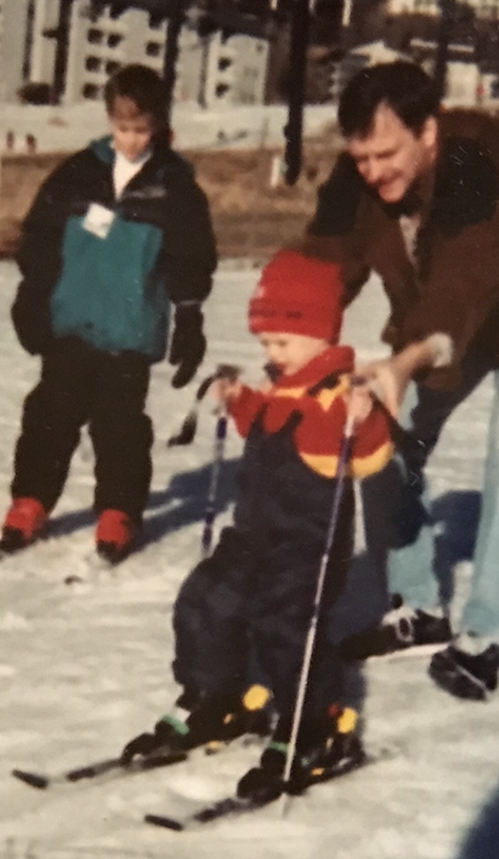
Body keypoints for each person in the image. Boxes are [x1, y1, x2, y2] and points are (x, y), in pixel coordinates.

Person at [305, 61, 499, 701]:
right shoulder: (362, 178)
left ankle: (485, 635)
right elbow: (322, 265)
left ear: (429, 132)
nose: (373, 171)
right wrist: (293, 344)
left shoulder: (486, 176)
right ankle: (418, 606)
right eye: (361, 158)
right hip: (441, 318)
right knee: (380, 438)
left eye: (387, 153)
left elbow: (459, 296)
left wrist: (400, 364)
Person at [121, 250, 391, 800]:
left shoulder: (340, 396)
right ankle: (212, 698)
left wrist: (367, 419)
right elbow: (263, 427)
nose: (272, 353)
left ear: (320, 335)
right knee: (205, 600)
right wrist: (239, 399)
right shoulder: (279, 392)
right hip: (252, 537)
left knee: (283, 624)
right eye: (265, 344)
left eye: (282, 343)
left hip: (305, 549)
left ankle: (313, 726)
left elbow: (371, 456)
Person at [0, 64, 215, 562]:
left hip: (129, 330)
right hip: (71, 321)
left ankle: (119, 510)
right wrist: (32, 294)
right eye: (122, 127)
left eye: (142, 130)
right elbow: (41, 235)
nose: (131, 139)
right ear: (108, 120)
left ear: (160, 125)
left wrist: (190, 318)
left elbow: (192, 259)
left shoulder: (176, 187)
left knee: (119, 428)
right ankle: (31, 500)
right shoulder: (79, 171)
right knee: (50, 415)